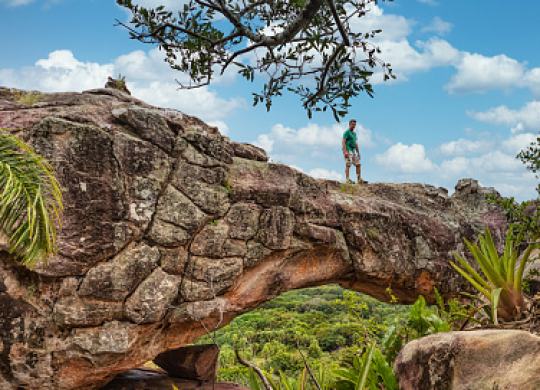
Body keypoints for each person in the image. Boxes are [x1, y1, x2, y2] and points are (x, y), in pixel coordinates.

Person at [342, 119, 366, 184]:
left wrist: (358, 152)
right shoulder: (347, 132)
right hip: (348, 149)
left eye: (355, 125)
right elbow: (343, 141)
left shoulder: (354, 134)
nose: (354, 126)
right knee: (348, 164)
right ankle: (347, 180)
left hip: (353, 150)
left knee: (358, 164)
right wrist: (345, 151)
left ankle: (359, 179)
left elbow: (355, 143)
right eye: (352, 124)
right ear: (349, 124)